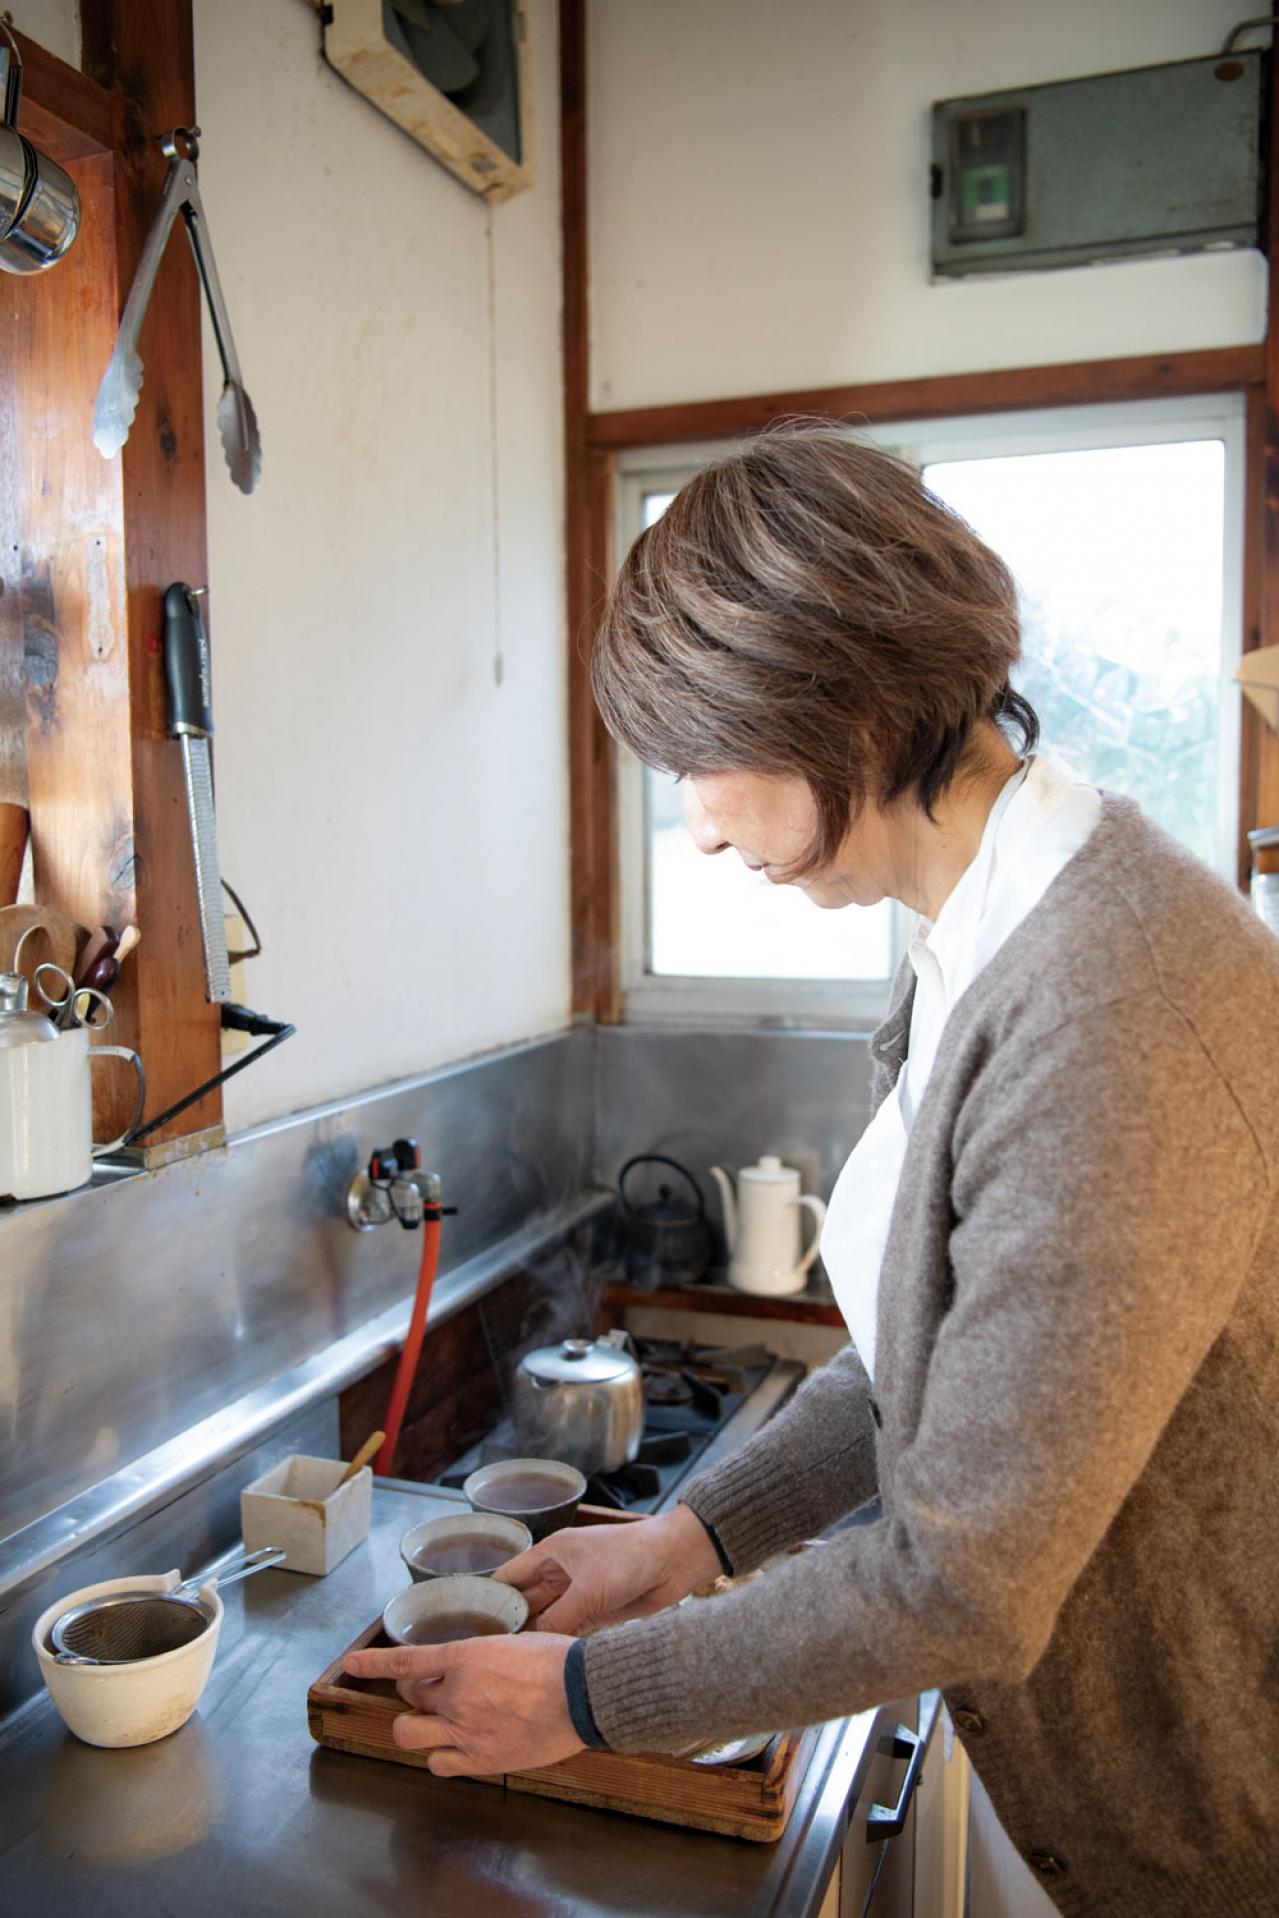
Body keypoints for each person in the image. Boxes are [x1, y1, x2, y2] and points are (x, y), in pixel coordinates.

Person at [347, 427, 1279, 1916]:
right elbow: (943, 1356)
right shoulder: (988, 927)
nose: (700, 826)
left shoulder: (1112, 1000)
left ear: (836, 705)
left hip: (1200, 1828)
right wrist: (687, 1534)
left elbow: (962, 1576)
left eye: (702, 763)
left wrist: (585, 1694)